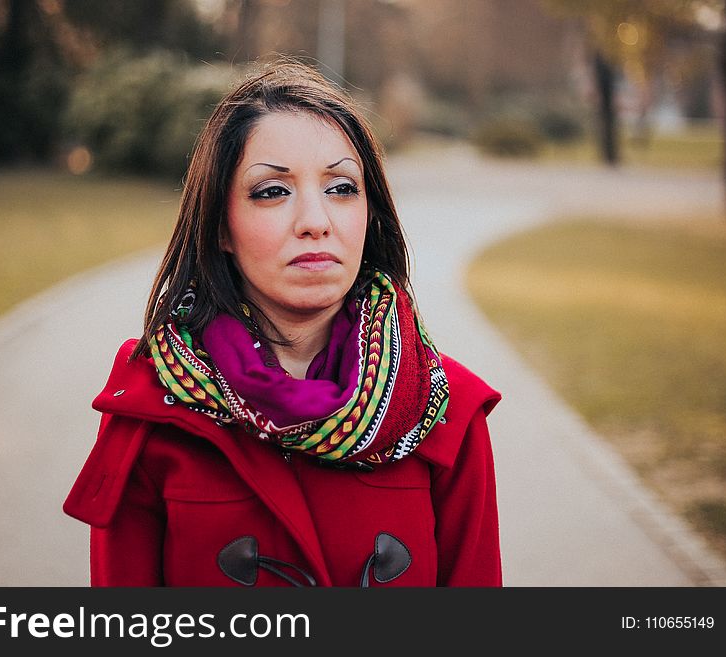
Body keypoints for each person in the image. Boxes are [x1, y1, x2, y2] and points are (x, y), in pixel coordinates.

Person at [63, 59, 502, 587]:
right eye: (272, 191)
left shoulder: (447, 410)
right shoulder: (154, 408)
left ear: (371, 213)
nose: (315, 221)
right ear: (221, 226)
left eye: (341, 188)